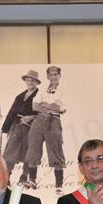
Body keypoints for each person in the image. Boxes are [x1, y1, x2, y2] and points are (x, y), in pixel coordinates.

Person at [24, 66, 67, 194]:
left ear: (59, 75)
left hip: (54, 121)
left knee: (55, 151)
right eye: (50, 75)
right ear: (47, 76)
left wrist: (45, 105)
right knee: (33, 149)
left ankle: (58, 186)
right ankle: (32, 180)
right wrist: (49, 107)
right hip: (38, 121)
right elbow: (34, 106)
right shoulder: (42, 89)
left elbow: (61, 109)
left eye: (55, 74)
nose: (53, 77)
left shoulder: (64, 90)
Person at [2, 69, 40, 186]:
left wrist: (31, 117)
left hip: (32, 128)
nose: (30, 82)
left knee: (29, 152)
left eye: (32, 80)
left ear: (36, 82)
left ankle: (24, 177)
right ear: (25, 81)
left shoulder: (40, 96)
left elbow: (45, 113)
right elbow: (12, 112)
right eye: (28, 80)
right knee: (10, 151)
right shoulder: (19, 97)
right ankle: (6, 177)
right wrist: (5, 127)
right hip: (17, 127)